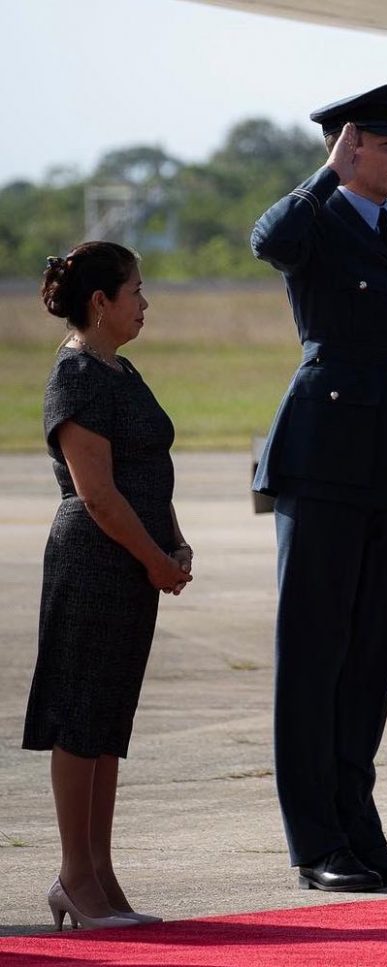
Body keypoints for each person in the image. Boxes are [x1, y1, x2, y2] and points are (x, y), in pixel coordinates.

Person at [251, 81, 387, 892]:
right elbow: (268, 241)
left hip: (386, 454)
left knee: (369, 656)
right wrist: (321, 175)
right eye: (386, 141)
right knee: (313, 655)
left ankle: (359, 832)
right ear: (349, 147)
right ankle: (316, 842)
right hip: (323, 455)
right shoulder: (319, 218)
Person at [24, 242, 193, 930]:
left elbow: (148, 467)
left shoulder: (120, 371)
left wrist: (171, 543)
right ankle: (74, 874)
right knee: (79, 717)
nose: (145, 302)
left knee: (108, 721)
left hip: (134, 562)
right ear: (102, 302)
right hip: (95, 562)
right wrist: (155, 556)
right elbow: (97, 494)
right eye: (136, 290)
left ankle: (100, 872)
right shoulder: (76, 377)